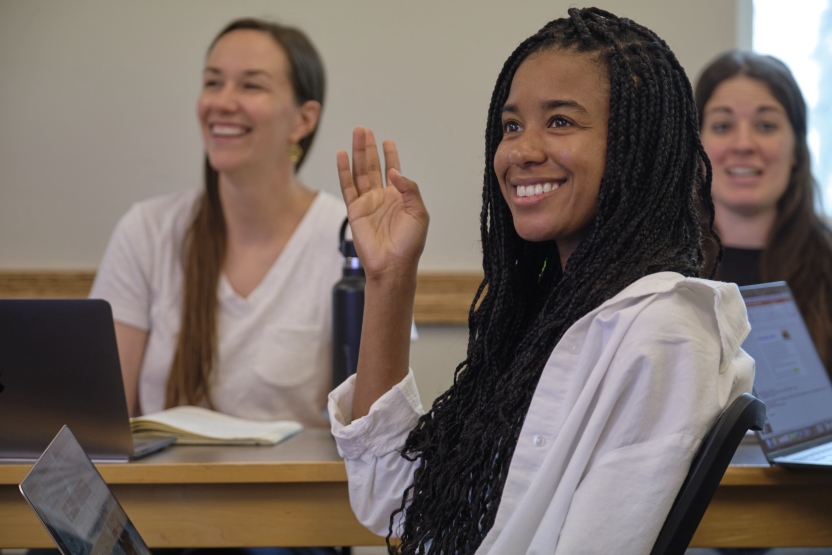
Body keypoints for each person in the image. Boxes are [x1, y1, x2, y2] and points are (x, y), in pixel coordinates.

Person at [329, 7, 753, 555]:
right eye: (512, 125)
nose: (522, 151)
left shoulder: (662, 331)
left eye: (560, 121)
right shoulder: (549, 313)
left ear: (635, 145)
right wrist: (390, 277)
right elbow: (392, 502)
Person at [90, 18, 345, 427]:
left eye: (251, 85)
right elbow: (98, 422)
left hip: (292, 493)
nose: (222, 102)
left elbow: (372, 433)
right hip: (157, 492)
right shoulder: (146, 231)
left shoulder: (347, 239)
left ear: (304, 120)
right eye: (213, 83)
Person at [696, 50, 832, 373]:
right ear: (697, 148)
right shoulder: (657, 271)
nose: (743, 144)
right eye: (722, 125)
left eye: (766, 125)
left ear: (797, 149)